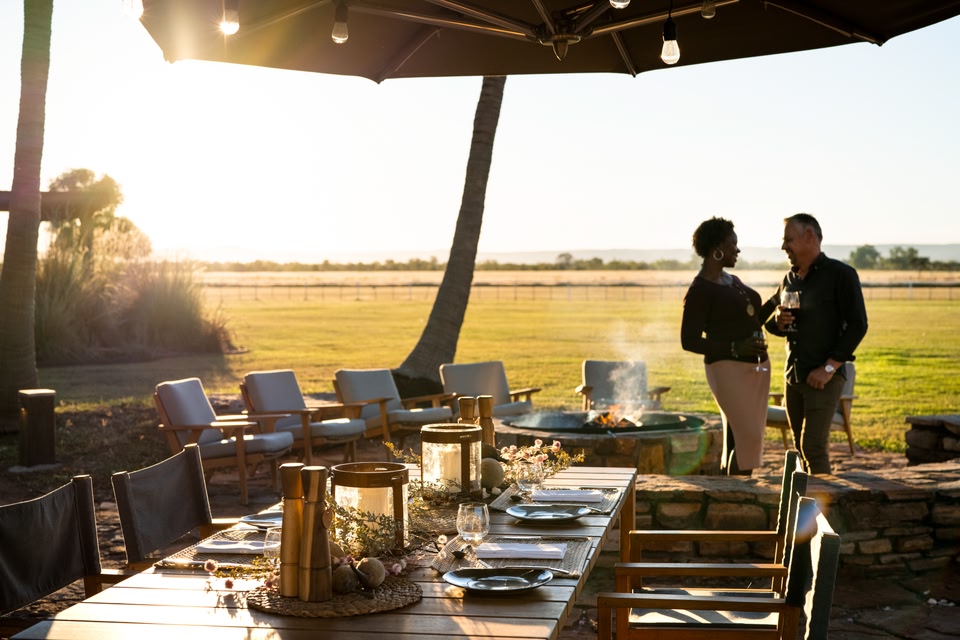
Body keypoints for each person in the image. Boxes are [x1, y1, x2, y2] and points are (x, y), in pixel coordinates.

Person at [765, 213, 868, 475]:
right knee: (800, 449)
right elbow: (766, 319)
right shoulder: (789, 280)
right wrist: (777, 322)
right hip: (793, 378)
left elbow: (858, 325)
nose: (783, 247)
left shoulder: (841, 275)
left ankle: (824, 512)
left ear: (809, 236)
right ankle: (805, 508)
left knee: (813, 448)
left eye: (788, 240)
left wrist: (829, 368)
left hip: (824, 379)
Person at [681, 217, 777, 475]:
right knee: (747, 437)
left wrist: (776, 301)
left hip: (753, 371)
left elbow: (752, 321)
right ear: (717, 249)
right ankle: (738, 493)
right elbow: (688, 340)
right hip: (727, 370)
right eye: (733, 243)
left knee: (742, 437)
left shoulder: (731, 280)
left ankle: (731, 491)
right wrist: (735, 348)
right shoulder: (700, 290)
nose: (738, 249)